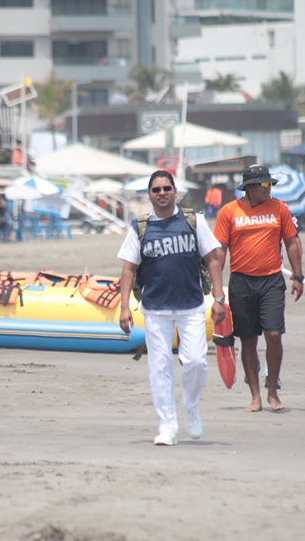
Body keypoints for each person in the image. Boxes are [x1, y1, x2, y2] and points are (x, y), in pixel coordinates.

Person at [117, 170, 226, 446]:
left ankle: (190, 405)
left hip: (191, 305)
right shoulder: (140, 228)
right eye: (156, 190)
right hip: (155, 308)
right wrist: (124, 307)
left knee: (196, 362)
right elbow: (129, 268)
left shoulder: (193, 221)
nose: (162, 193)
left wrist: (219, 297)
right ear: (149, 194)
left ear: (175, 191)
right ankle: (167, 426)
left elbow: (213, 259)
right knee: (160, 367)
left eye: (167, 188)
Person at [213, 164, 304, 412]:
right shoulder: (229, 212)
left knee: (273, 335)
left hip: (271, 280)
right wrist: (216, 288)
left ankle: (273, 391)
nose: (269, 188)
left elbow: (292, 241)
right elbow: (220, 251)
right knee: (248, 340)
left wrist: (298, 276)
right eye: (264, 184)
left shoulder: (279, 208)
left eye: (270, 184)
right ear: (250, 187)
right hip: (241, 282)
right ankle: (255, 396)